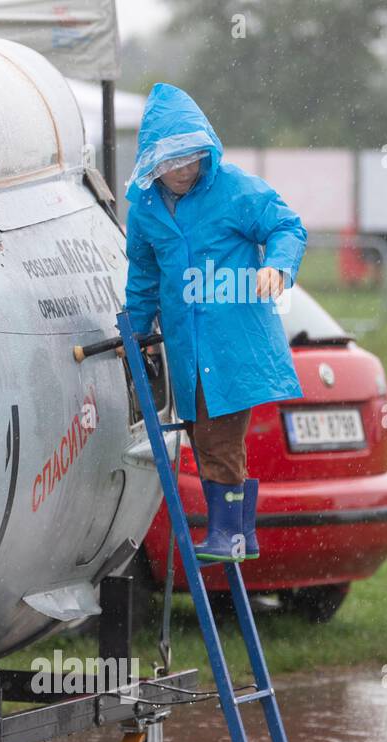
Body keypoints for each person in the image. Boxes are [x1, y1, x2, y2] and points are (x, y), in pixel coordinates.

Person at [125, 83, 307, 563]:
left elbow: (287, 226)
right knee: (208, 434)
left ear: (205, 150)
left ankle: (230, 535)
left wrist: (279, 266)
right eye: (170, 161)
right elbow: (143, 276)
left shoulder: (234, 188)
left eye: (190, 158)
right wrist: (140, 334)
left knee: (217, 436)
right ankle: (239, 533)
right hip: (187, 350)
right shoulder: (144, 210)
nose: (183, 170)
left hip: (235, 346)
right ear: (152, 163)